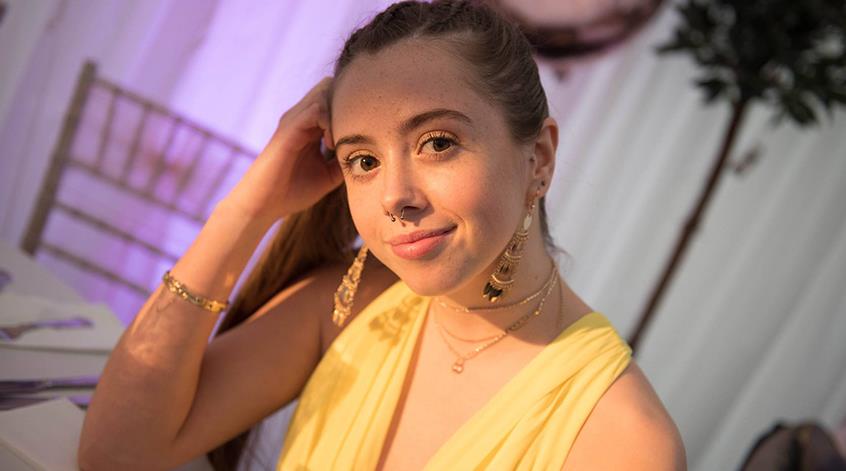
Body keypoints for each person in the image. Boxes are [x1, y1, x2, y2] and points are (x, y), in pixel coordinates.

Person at [78, 1, 686, 470]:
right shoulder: (353, 305)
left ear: (539, 159)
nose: (394, 195)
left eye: (438, 143)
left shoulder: (621, 438)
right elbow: (118, 453)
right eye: (362, 161)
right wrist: (249, 207)